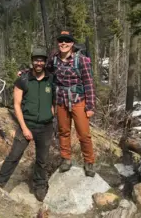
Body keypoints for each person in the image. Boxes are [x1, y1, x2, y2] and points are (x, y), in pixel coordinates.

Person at [0, 47, 55, 201]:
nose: (39, 62)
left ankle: (40, 187)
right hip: (26, 124)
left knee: (42, 159)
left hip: (46, 126)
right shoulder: (23, 80)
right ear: (32, 61)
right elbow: (17, 105)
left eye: (41, 60)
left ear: (45, 61)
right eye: (36, 59)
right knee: (14, 155)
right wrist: (25, 128)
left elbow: (54, 101)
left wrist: (51, 115)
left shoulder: (51, 79)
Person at [46, 30, 96, 177]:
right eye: (61, 40)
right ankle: (66, 159)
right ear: (58, 43)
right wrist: (25, 71)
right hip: (61, 101)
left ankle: (89, 162)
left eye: (67, 41)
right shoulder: (54, 60)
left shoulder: (81, 60)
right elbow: (42, 70)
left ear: (72, 44)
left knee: (84, 134)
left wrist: (90, 106)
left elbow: (88, 83)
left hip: (78, 101)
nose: (63, 43)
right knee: (63, 132)